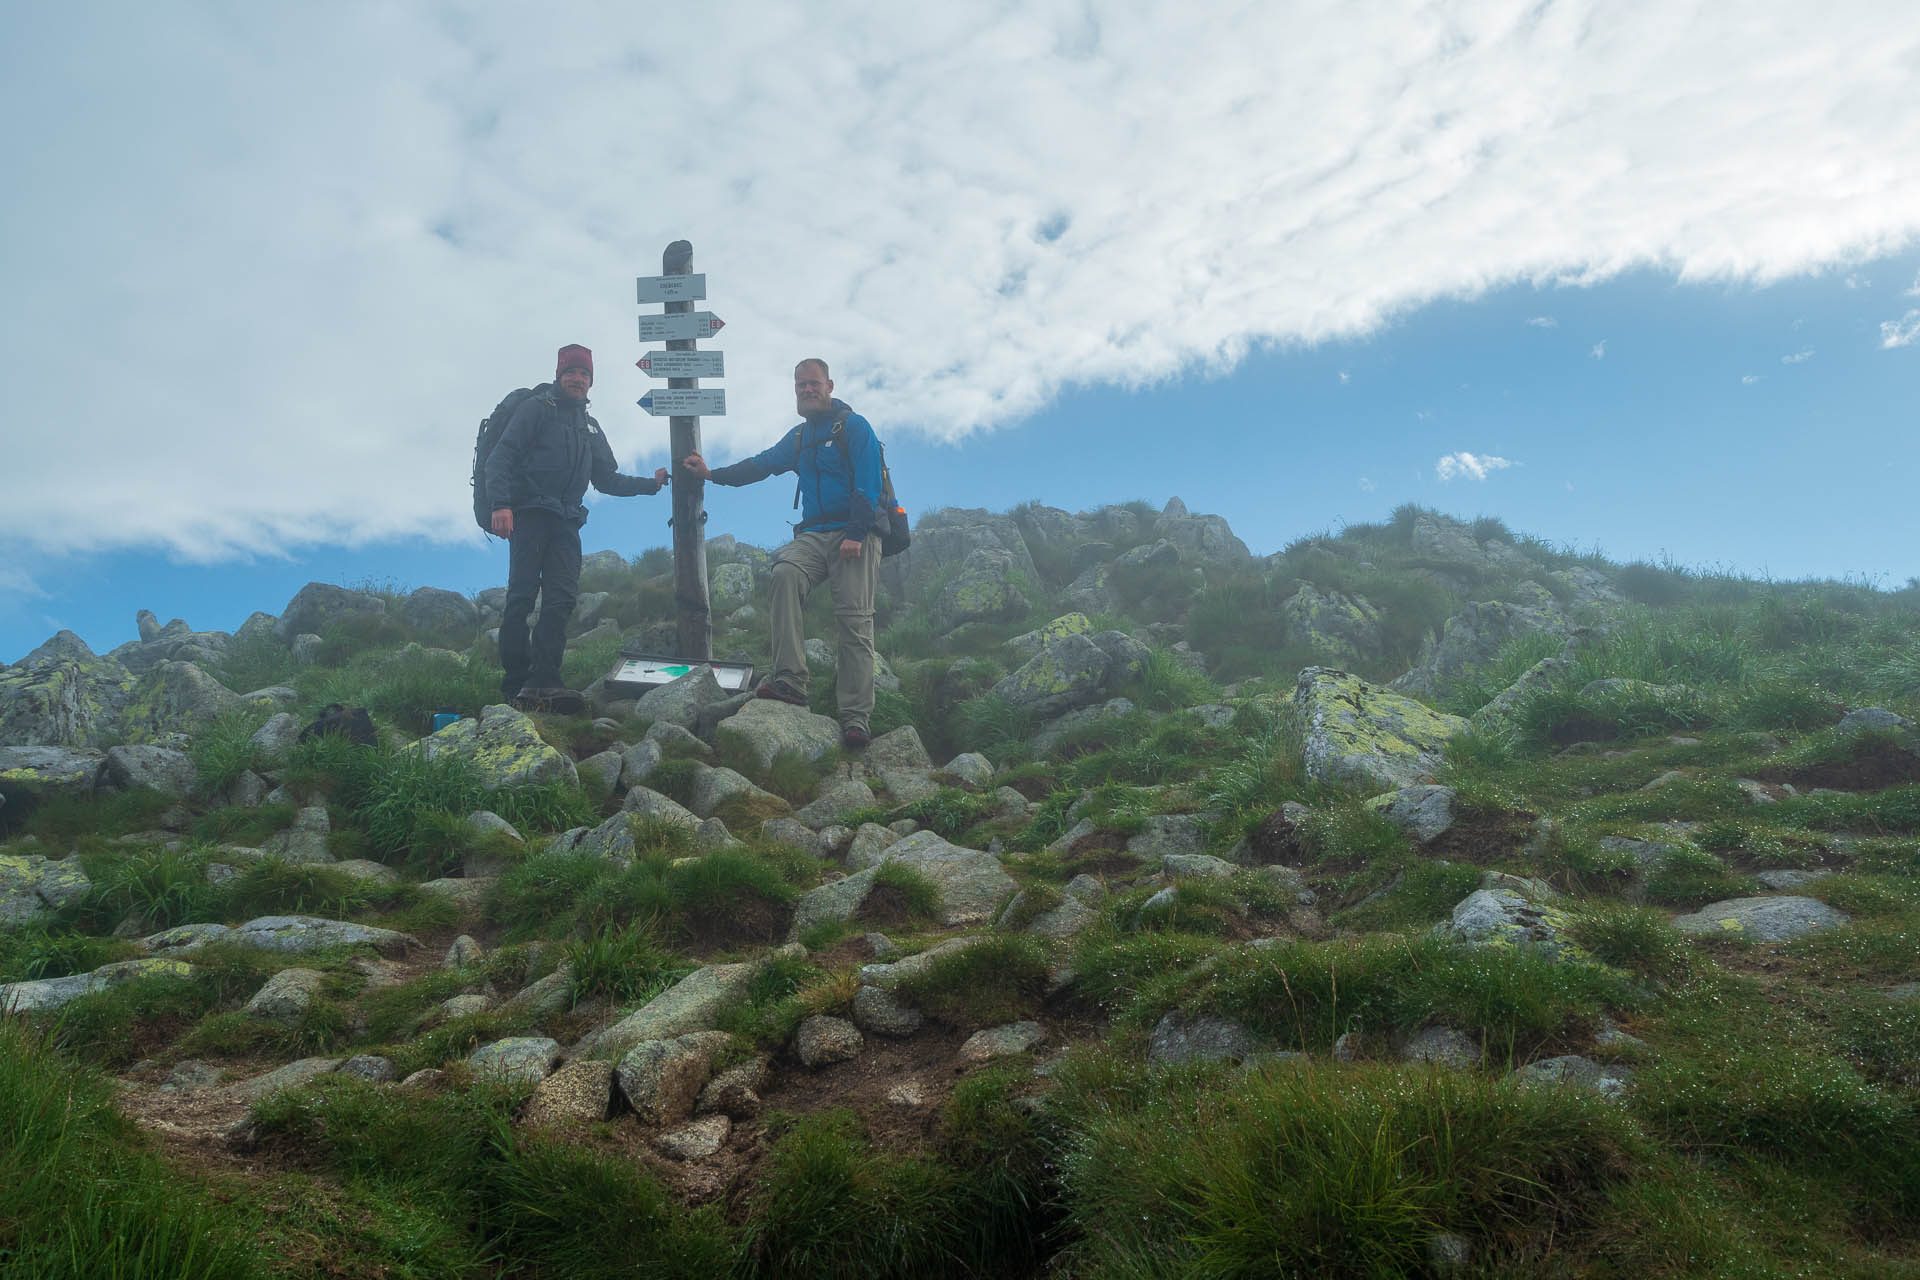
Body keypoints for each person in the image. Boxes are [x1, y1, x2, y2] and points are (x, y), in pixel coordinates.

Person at [682, 358, 884, 749]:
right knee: (784, 573)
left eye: (814, 384)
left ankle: (855, 717)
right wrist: (712, 474)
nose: (807, 391)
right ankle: (790, 680)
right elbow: (759, 465)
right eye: (801, 386)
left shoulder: (855, 428)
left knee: (854, 623)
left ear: (830, 385)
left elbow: (869, 483)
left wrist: (857, 533)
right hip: (814, 533)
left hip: (855, 530)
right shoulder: (798, 438)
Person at [486, 343, 668, 706]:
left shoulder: (590, 427)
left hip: (567, 520)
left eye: (584, 374)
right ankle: (515, 686)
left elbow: (607, 479)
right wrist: (501, 504)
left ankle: (546, 680)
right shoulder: (536, 409)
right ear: (559, 375)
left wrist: (652, 484)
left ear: (591, 381)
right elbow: (501, 456)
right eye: (571, 372)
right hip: (530, 514)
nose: (577, 379)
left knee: (561, 600)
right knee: (521, 597)